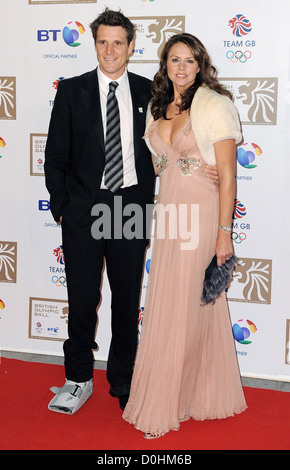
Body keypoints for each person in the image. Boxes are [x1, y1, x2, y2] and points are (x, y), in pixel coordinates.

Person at [45, 10, 219, 415]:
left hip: (130, 209)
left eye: (118, 42)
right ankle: (77, 379)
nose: (110, 50)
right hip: (84, 212)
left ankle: (124, 382)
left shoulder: (149, 93)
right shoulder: (72, 91)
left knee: (126, 301)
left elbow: (182, 135)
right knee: (82, 299)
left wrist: (209, 164)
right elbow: (55, 158)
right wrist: (63, 209)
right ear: (94, 45)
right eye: (103, 42)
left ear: (131, 46)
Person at [123, 33, 247, 438]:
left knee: (184, 307)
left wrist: (224, 234)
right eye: (174, 60)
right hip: (171, 213)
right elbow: (161, 165)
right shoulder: (159, 107)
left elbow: (227, 174)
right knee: (177, 304)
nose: (181, 67)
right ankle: (193, 392)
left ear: (200, 65)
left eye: (189, 60)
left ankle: (168, 403)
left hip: (202, 213)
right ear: (165, 65)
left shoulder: (215, 105)